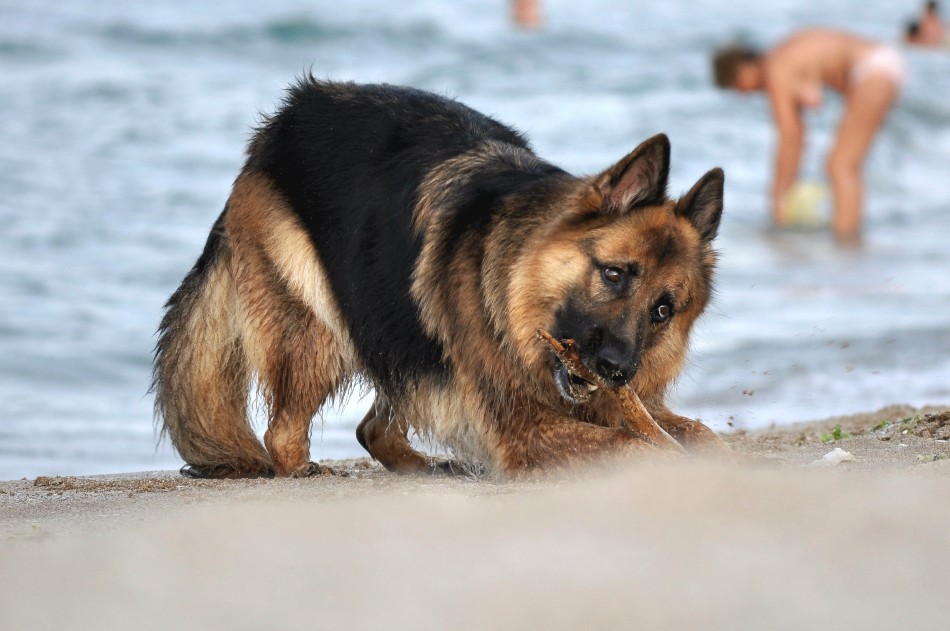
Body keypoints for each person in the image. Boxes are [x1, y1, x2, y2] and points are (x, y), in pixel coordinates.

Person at [712, 30, 905, 243]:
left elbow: (790, 136)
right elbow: (798, 134)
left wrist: (778, 197)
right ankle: (848, 242)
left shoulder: (774, 69)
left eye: (738, 87)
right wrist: (785, 190)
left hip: (871, 69)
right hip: (877, 64)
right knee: (842, 165)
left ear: (741, 71)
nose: (745, 94)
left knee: (840, 165)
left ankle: (847, 246)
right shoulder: (783, 60)